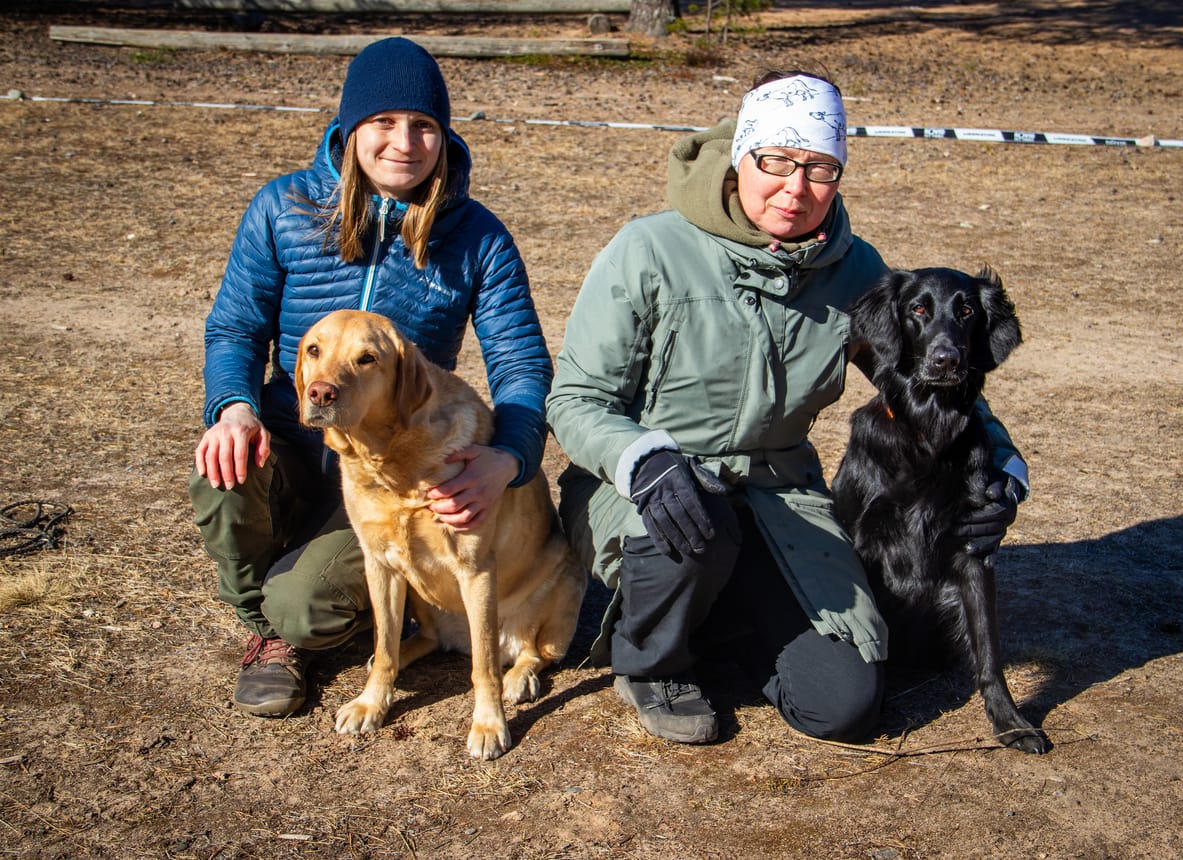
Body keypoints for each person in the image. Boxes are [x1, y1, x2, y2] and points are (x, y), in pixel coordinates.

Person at [546, 70, 1027, 744]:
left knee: (843, 703)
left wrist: (1005, 467)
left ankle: (729, 624)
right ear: (742, 155)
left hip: (777, 495)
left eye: (820, 168)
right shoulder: (648, 250)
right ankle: (653, 663)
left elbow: (924, 384)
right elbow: (576, 400)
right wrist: (642, 459)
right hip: (643, 485)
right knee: (695, 517)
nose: (796, 188)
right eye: (776, 161)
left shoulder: (855, 271)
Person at [189, 37, 554, 718]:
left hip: (395, 461)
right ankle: (268, 633)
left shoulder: (478, 237)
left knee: (306, 603)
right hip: (296, 436)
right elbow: (235, 327)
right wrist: (234, 407)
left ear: (445, 137)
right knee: (221, 473)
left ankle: (306, 611)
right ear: (349, 128)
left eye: (423, 125)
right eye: (383, 121)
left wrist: (509, 457)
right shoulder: (283, 207)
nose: (403, 143)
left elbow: (521, 363)